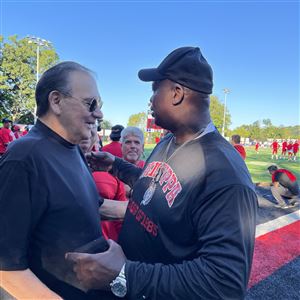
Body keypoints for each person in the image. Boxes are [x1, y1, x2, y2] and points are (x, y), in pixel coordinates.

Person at [67, 47, 257, 299]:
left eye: (155, 89)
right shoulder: (169, 141)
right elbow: (155, 185)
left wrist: (125, 274)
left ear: (177, 94)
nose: (150, 100)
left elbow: (225, 282)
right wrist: (115, 165)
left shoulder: (225, 174)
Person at [0, 61, 114, 300]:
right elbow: (6, 268)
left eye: (99, 105)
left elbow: (90, 205)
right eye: (90, 103)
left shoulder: (72, 149)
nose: (99, 113)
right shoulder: (24, 157)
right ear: (56, 101)